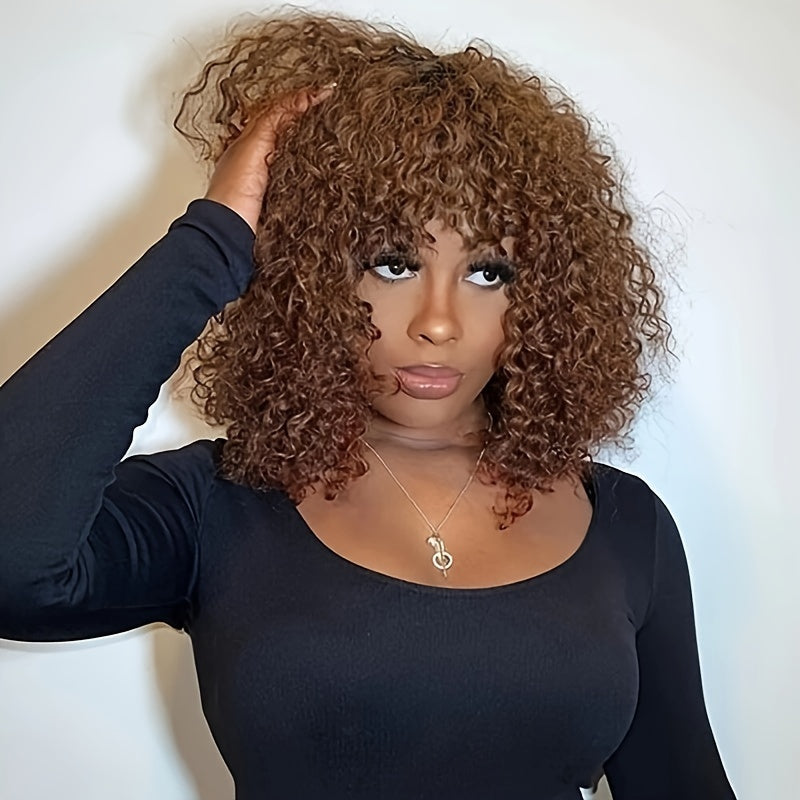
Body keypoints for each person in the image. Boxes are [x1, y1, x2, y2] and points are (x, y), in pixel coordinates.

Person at [0, 8, 738, 800]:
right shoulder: (216, 502)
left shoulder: (624, 525)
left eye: (489, 272)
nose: (438, 322)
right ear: (313, 274)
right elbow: (16, 564)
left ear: (546, 294)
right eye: (392, 263)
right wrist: (212, 243)